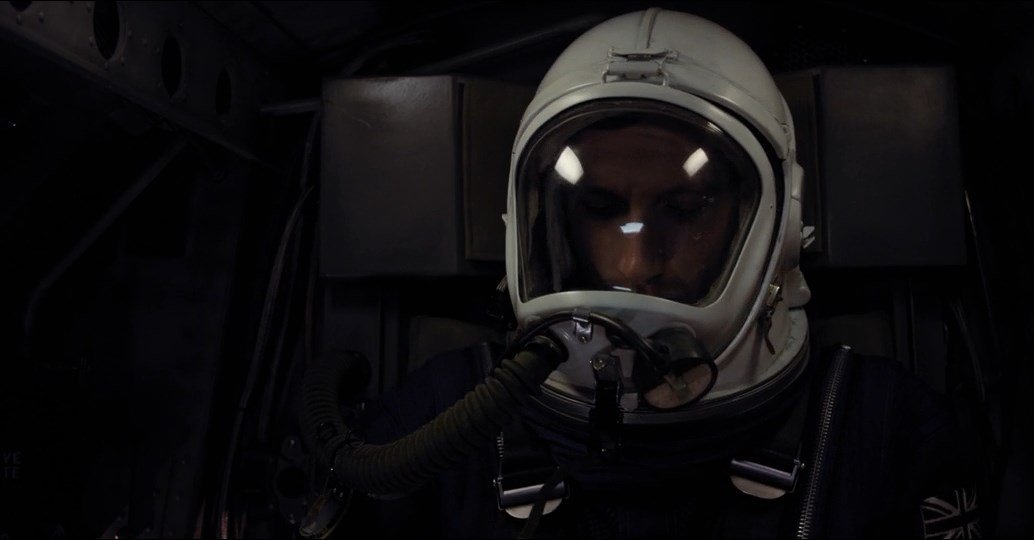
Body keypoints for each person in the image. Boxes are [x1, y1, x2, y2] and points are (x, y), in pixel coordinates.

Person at [348, 8, 984, 539]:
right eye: (599, 208)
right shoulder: (435, 422)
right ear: (539, 227)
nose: (635, 264)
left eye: (684, 209)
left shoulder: (880, 433)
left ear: (779, 229)